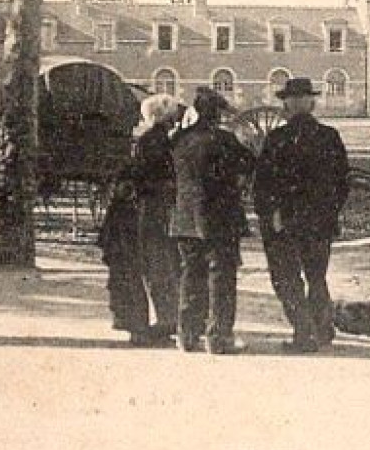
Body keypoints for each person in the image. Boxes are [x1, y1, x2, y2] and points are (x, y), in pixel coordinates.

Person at [254, 77, 353, 353]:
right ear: (312, 103)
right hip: (320, 221)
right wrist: (331, 211)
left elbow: (263, 184)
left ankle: (304, 332)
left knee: (286, 278)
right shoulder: (330, 136)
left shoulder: (276, 139)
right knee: (316, 275)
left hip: (285, 220)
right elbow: (343, 182)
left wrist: (269, 214)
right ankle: (322, 329)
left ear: (286, 103)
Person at [170, 87, 256, 354]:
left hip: (184, 218)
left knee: (190, 274)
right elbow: (250, 163)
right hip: (220, 218)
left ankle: (188, 334)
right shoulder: (225, 140)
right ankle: (218, 337)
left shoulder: (179, 140)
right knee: (221, 276)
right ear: (218, 113)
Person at [100, 93, 184, 346]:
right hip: (148, 213)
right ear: (163, 117)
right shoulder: (158, 141)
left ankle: (137, 322)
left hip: (134, 212)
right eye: (172, 116)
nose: (174, 120)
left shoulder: (147, 140)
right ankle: (154, 323)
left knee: (137, 267)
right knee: (155, 265)